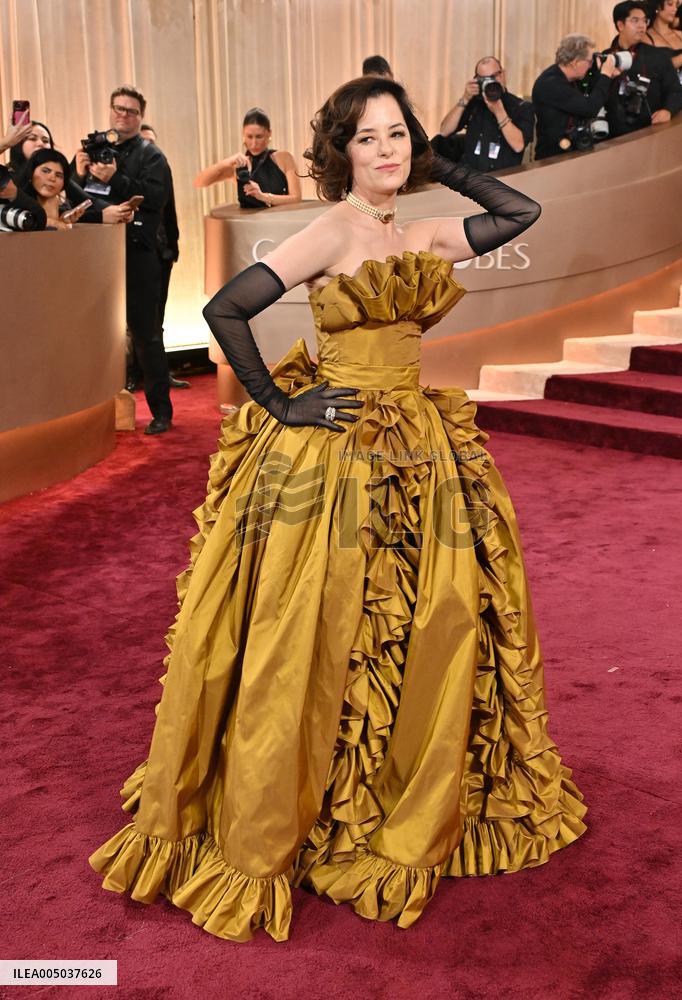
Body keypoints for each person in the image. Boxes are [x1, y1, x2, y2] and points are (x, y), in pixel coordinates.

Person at [89, 73, 587, 943]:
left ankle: (387, 785)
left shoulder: (421, 232)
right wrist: (281, 404)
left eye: (397, 134)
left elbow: (519, 212)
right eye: (368, 138)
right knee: (315, 631)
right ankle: (298, 802)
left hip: (419, 451)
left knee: (423, 620)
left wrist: (439, 163)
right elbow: (225, 309)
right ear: (341, 152)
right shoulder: (329, 230)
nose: (385, 150)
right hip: (337, 451)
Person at [72, 85, 173, 435]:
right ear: (110, 110)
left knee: (147, 335)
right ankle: (95, 412)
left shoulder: (151, 155)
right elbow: (74, 200)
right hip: (96, 256)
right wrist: (78, 173)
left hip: (139, 254)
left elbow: (156, 198)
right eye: (118, 108)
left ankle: (161, 412)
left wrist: (115, 179)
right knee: (96, 335)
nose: (124, 115)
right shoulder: (95, 151)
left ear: (141, 116)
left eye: (131, 110)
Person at [131, 123, 189, 391]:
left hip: (162, 252)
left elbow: (170, 210)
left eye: (152, 142)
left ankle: (160, 373)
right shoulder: (127, 176)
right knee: (136, 322)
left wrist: (173, 247)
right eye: (143, 142)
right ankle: (133, 374)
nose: (148, 147)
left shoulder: (161, 169)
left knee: (159, 318)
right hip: (135, 253)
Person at [602, 1, 682, 136]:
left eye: (644, 21)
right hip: (613, 135)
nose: (642, 26)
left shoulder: (658, 55)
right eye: (635, 20)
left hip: (649, 131)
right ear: (620, 25)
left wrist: (668, 111)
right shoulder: (606, 58)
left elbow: (676, 92)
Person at [438, 56, 534, 172]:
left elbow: (518, 146)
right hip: (469, 175)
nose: (491, 83)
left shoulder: (522, 107)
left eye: (493, 76)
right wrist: (465, 99)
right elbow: (444, 131)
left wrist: (499, 111)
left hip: (503, 177)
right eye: (484, 79)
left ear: (503, 74)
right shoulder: (474, 103)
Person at [532, 35, 620, 160]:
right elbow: (589, 108)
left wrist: (608, 77)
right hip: (552, 160)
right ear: (575, 62)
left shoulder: (568, 79)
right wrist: (605, 75)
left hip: (568, 155)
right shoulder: (551, 83)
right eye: (589, 61)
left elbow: (594, 98)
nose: (591, 66)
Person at [194, 108, 302, 209]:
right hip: (248, 223)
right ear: (243, 134)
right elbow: (199, 182)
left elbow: (296, 198)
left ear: (269, 133)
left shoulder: (284, 158)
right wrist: (228, 161)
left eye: (259, 136)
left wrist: (263, 196)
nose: (254, 143)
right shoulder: (240, 166)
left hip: (280, 220)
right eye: (249, 137)